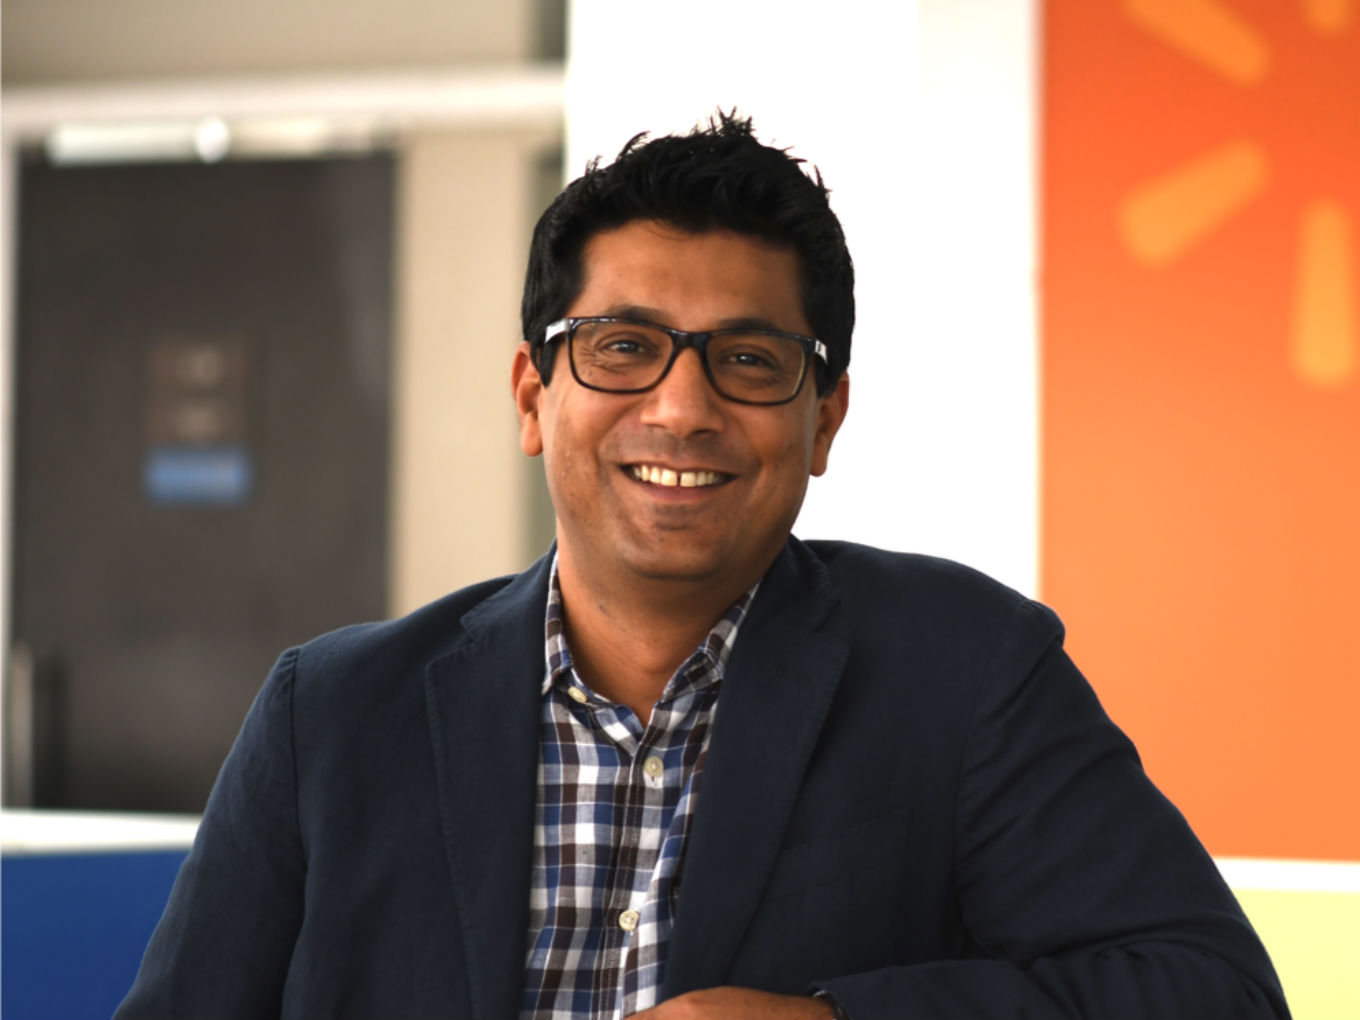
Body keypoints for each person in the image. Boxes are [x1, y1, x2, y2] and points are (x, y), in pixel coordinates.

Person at [117, 113, 1287, 1020]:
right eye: (623, 346)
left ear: (823, 420)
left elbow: (1212, 995)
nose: (681, 408)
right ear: (532, 396)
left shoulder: (967, 672)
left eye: (749, 358)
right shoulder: (330, 715)